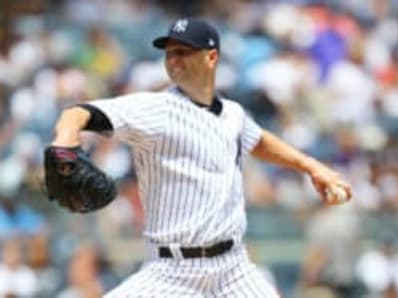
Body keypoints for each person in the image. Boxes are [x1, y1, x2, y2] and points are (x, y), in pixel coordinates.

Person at [49, 18, 352, 297]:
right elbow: (78, 113)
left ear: (211, 57)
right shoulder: (155, 109)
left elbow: (258, 140)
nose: (173, 59)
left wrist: (311, 166)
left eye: (183, 51)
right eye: (169, 53)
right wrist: (65, 142)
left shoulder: (233, 114)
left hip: (234, 270)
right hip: (171, 273)